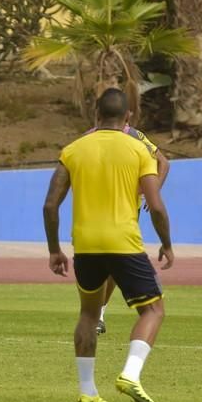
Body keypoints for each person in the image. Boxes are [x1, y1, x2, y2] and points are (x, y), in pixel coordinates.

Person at [43, 88, 174, 402]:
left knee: (89, 313)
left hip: (85, 245)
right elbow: (156, 207)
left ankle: (88, 391)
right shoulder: (138, 149)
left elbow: (49, 206)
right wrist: (167, 244)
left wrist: (54, 250)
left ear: (95, 115)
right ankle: (130, 373)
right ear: (128, 117)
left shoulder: (73, 150)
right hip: (124, 243)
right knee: (153, 310)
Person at [85, 123, 170, 335]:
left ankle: (98, 313)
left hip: (126, 212)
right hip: (97, 210)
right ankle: (96, 313)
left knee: (113, 263)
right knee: (99, 262)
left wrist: (154, 191)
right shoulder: (89, 137)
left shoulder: (134, 135)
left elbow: (163, 163)